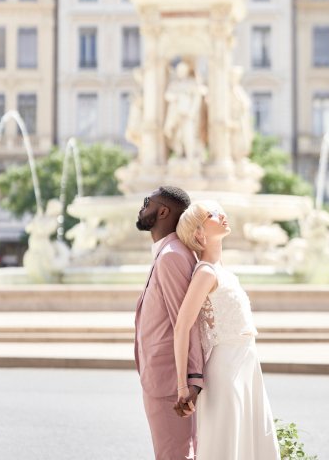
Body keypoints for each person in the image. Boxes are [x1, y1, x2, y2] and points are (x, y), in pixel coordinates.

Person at [174, 201, 281, 460]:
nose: (221, 215)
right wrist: (182, 386)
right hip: (226, 370)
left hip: (247, 365)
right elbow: (181, 327)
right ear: (199, 232)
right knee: (227, 444)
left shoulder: (223, 272)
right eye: (212, 214)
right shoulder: (205, 273)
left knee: (252, 442)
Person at [135, 186, 204, 460]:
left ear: (163, 211)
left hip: (169, 384)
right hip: (163, 379)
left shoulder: (172, 255)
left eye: (146, 202)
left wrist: (189, 382)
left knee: (172, 456)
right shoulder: (168, 251)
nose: (141, 208)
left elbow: (186, 322)